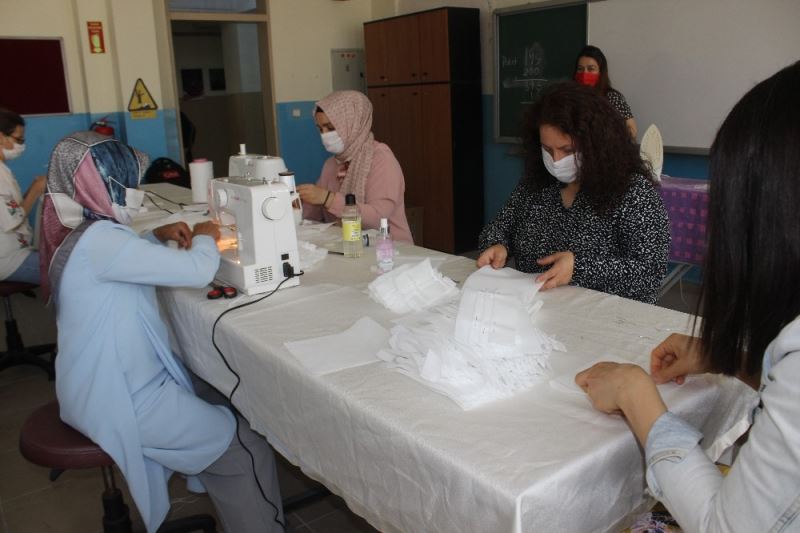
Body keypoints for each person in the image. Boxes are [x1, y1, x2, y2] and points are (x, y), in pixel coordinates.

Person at [575, 61, 800, 532]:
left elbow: (727, 525)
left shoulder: (636, 195)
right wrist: (733, 360)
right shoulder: (541, 191)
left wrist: (635, 393)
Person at [40, 132, 285, 533]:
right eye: (126, 183)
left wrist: (155, 236)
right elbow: (197, 270)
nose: (133, 193)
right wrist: (205, 234)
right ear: (103, 185)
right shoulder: (101, 241)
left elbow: (118, 255)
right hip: (122, 399)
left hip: (89, 386)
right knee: (244, 445)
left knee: (212, 390)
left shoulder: (79, 231)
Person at [477, 82, 669, 304]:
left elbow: (649, 274)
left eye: (567, 150)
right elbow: (500, 227)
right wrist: (497, 245)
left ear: (597, 145)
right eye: (547, 149)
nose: (556, 160)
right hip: (536, 308)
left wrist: (579, 268)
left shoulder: (634, 192)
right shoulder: (536, 184)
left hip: (604, 316)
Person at [298, 90, 414, 243]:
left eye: (330, 128)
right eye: (320, 129)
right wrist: (300, 204)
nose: (324, 135)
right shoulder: (331, 164)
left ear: (352, 124)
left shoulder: (380, 158)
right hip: (349, 247)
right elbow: (314, 216)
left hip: (390, 249)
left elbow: (378, 218)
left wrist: (328, 199)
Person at [0, 108, 46, 283]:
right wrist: (35, 191)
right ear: (1, 137)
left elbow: (11, 207)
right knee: (64, 271)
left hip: (15, 250)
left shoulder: (3, 169)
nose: (22, 145)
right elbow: (12, 222)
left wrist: (33, 188)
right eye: (18, 139)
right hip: (8, 259)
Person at [574, 45, 638, 139]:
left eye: (591, 69)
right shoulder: (571, 98)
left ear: (601, 72)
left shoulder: (612, 97)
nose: (585, 73)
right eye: (580, 69)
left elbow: (632, 131)